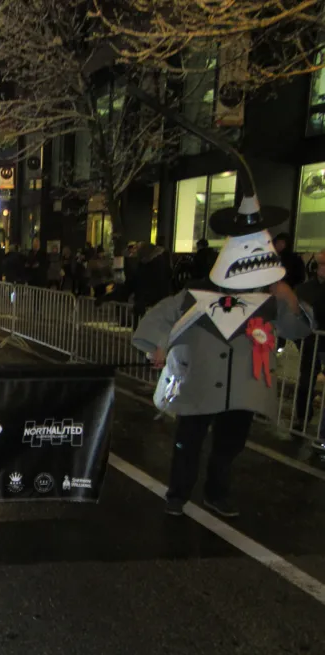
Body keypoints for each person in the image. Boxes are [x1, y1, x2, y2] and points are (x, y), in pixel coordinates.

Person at [132, 196, 315, 518]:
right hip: (200, 381)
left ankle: (217, 494)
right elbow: (162, 316)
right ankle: (178, 494)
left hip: (243, 386)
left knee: (230, 445)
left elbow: (296, 329)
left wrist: (290, 300)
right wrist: (159, 345)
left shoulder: (270, 298)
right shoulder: (196, 293)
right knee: (188, 442)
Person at [294, 251, 325, 440]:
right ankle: (302, 417)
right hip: (311, 342)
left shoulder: (305, 289)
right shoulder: (305, 289)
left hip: (315, 340)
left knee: (307, 379)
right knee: (306, 380)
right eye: (321, 264)